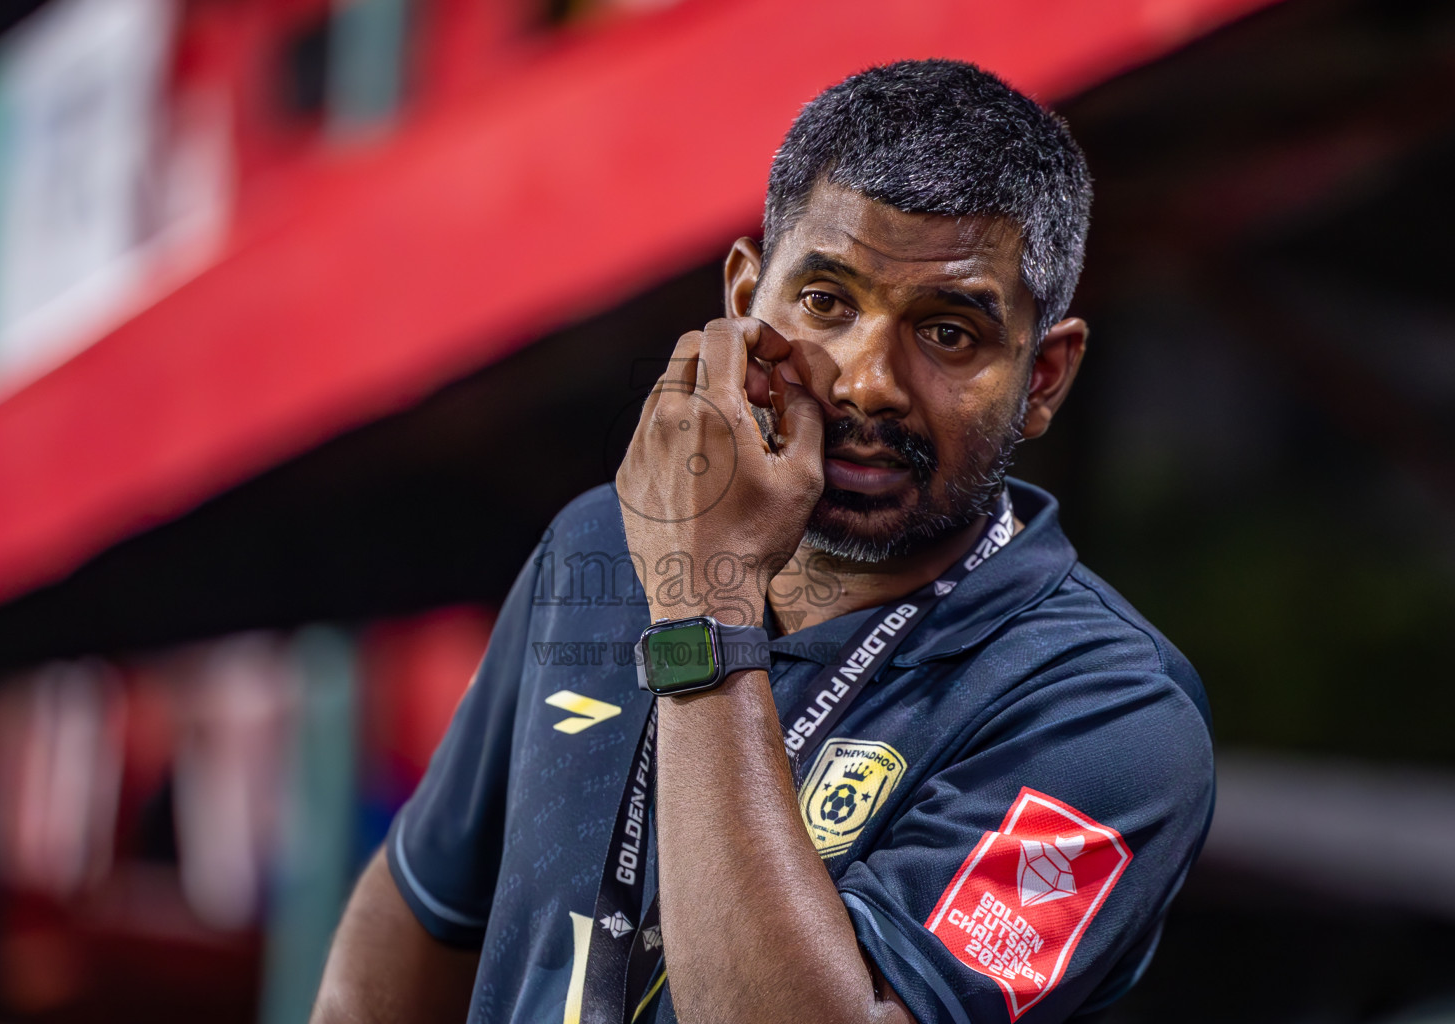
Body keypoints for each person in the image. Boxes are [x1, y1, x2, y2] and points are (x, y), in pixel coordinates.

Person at [310, 59, 1213, 1024]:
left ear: (1044, 378)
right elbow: (413, 923)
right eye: (827, 302)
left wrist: (702, 604)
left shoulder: (1111, 716)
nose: (868, 382)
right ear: (746, 297)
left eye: (949, 333)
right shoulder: (601, 545)